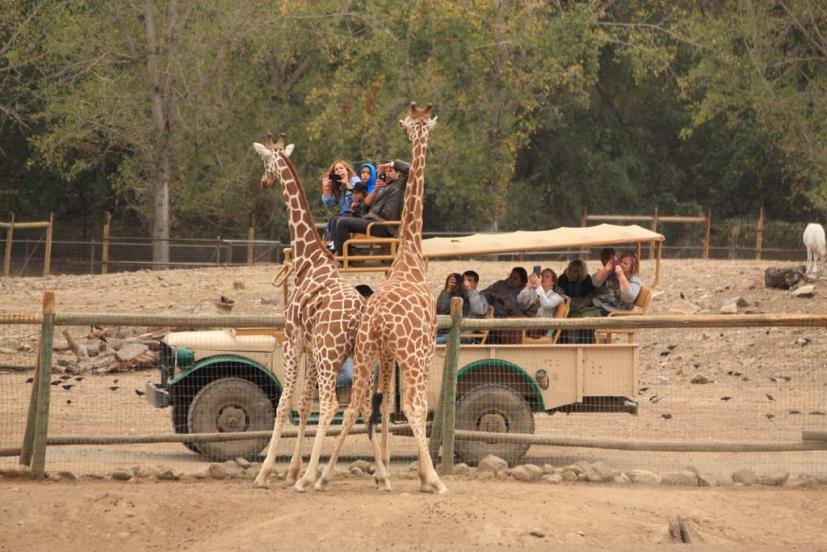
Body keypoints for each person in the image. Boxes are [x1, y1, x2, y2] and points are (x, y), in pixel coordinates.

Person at [332, 159, 410, 256]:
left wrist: (392, 164)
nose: (387, 174)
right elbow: (364, 207)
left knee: (342, 222)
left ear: (398, 174)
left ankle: (344, 259)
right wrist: (376, 190)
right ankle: (343, 252)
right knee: (336, 219)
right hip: (372, 222)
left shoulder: (400, 186)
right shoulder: (383, 188)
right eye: (385, 172)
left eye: (390, 171)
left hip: (383, 226)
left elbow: (410, 169)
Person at [336, 284, 374, 390]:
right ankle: (324, 383)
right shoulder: (346, 314)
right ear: (363, 299)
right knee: (349, 376)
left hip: (359, 352)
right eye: (369, 299)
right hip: (346, 351)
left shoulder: (368, 315)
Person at [557, 259, 597, 343]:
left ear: (581, 273)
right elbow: (560, 294)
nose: (571, 274)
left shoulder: (587, 281)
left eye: (575, 272)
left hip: (582, 306)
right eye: (570, 271)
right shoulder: (562, 279)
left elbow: (590, 296)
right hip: (568, 304)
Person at [591, 249, 642, 315]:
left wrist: (621, 276)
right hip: (599, 305)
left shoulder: (634, 279)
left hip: (613, 312)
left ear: (632, 267)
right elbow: (593, 283)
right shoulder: (613, 272)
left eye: (625, 263)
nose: (621, 265)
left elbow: (629, 297)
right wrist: (605, 270)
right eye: (621, 262)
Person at [518, 267, 564, 338]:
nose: (543, 278)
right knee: (515, 317)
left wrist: (539, 286)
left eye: (547, 276)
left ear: (553, 282)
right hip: (532, 324)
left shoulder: (556, 296)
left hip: (543, 329)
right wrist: (528, 286)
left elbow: (546, 304)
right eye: (542, 276)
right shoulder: (535, 292)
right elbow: (519, 300)